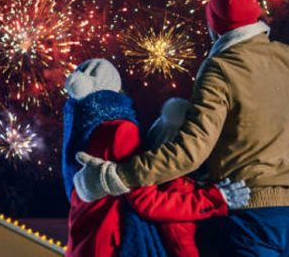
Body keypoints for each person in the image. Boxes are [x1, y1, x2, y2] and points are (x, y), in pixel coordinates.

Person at [72, 0, 289, 256]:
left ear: (214, 25)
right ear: (257, 15)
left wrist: (116, 176)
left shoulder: (221, 68)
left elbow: (191, 151)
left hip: (249, 216)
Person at [63, 58, 250, 257]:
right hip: (112, 246)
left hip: (83, 245)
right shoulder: (121, 130)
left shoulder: (79, 133)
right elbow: (146, 201)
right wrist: (214, 199)